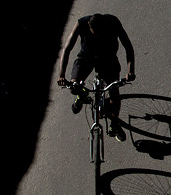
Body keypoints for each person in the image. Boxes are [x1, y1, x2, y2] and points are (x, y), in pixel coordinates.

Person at [57, 13, 136, 141]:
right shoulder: (81, 24)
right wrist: (61, 75)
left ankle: (115, 123)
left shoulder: (113, 22)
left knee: (114, 93)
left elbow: (128, 46)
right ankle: (82, 94)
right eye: (95, 33)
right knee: (73, 87)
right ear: (89, 26)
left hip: (108, 59)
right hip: (86, 58)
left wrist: (130, 71)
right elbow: (67, 49)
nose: (98, 35)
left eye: (100, 32)